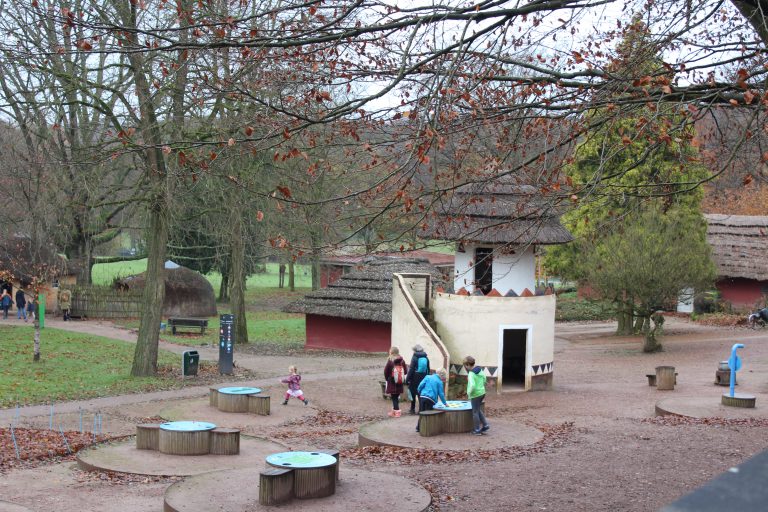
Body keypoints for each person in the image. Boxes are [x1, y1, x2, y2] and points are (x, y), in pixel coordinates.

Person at [464, 355, 490, 435]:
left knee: (475, 412)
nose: (465, 367)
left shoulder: (471, 374)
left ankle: (477, 430)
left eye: (465, 365)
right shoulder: (480, 370)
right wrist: (481, 386)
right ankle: (485, 425)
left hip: (475, 395)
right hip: (482, 393)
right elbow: (485, 379)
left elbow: (472, 385)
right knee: (478, 410)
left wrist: (468, 393)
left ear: (468, 364)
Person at [415, 368, 448, 432]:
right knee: (429, 413)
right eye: (444, 377)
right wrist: (445, 403)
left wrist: (419, 391)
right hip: (431, 399)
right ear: (442, 376)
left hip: (422, 397)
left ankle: (418, 428)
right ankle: (427, 428)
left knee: (422, 412)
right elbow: (441, 394)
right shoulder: (439, 382)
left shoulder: (427, 377)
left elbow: (421, 385)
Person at [406, 344, 431, 415]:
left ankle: (412, 409)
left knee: (413, 393)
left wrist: (407, 379)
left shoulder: (414, 357)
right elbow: (428, 369)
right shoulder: (426, 357)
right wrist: (427, 377)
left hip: (414, 378)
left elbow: (411, 369)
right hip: (423, 377)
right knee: (420, 393)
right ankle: (421, 410)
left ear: (415, 350)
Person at [384, 346, 408, 417]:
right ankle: (394, 411)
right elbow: (406, 371)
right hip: (399, 382)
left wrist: (387, 379)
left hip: (392, 382)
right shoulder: (402, 361)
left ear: (391, 352)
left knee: (394, 398)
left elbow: (385, 371)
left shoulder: (390, 361)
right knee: (396, 397)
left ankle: (397, 412)